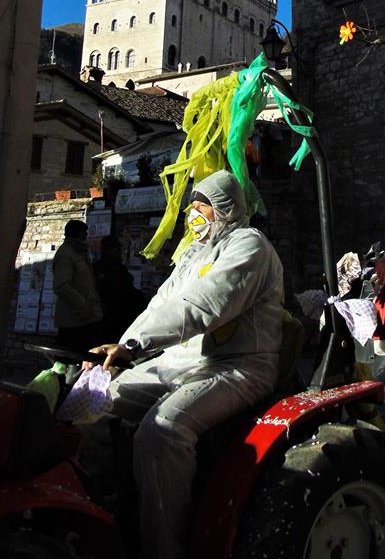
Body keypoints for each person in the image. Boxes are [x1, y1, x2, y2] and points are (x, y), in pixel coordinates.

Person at [85, 170, 284, 559]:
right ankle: (100, 516)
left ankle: (164, 548)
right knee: (97, 403)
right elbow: (162, 305)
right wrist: (121, 349)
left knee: (163, 431)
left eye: (203, 203)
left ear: (225, 208)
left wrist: (134, 344)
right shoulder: (194, 253)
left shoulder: (249, 247)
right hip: (179, 363)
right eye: (193, 202)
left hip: (235, 367)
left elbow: (205, 305)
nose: (193, 210)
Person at [53, 219, 103, 352]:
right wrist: (82, 303)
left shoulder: (79, 252)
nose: (86, 236)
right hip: (73, 319)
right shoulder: (66, 254)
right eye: (84, 233)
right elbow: (61, 285)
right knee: (72, 359)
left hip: (86, 317)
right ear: (80, 234)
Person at [93, 235, 146, 343]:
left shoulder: (118, 267)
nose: (118, 251)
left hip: (119, 314)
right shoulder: (101, 268)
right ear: (108, 250)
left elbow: (128, 290)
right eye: (115, 248)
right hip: (108, 315)